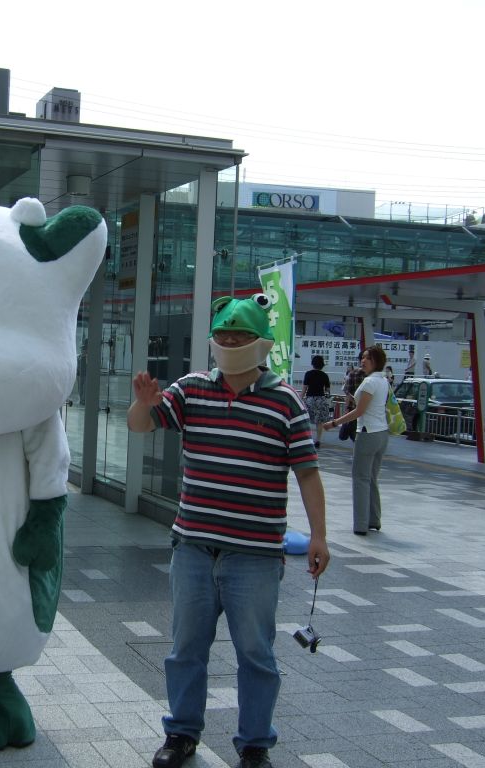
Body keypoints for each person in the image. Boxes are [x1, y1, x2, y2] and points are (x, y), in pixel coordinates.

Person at [128, 295, 329, 768]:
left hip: (255, 555)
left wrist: (319, 535)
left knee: (256, 653)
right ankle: (180, 734)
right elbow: (141, 425)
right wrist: (142, 404)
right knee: (185, 649)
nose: (231, 342)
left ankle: (255, 745)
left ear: (261, 343)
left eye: (240, 336)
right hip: (193, 548)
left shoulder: (286, 402)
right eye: (224, 335)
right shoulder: (190, 389)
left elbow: (307, 472)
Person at [323, 345, 389, 535]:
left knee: (360, 478)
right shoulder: (383, 380)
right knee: (371, 478)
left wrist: (334, 423)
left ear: (376, 361)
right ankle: (374, 519)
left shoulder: (369, 382)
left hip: (367, 433)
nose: (363, 360)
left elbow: (359, 411)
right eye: (363, 357)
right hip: (382, 433)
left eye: (367, 358)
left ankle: (360, 525)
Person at [302, 354, 331, 449]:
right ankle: (318, 440)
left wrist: (300, 398)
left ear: (313, 363)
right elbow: (327, 391)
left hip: (310, 399)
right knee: (319, 422)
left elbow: (304, 389)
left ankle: (307, 439)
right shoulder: (325, 375)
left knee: (307, 419)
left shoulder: (308, 374)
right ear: (322, 364)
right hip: (321, 399)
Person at [340, 350, 365, 441]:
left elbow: (348, 395)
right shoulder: (377, 377)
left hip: (355, 411)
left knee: (356, 437)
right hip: (372, 414)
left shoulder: (353, 374)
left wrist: (347, 410)